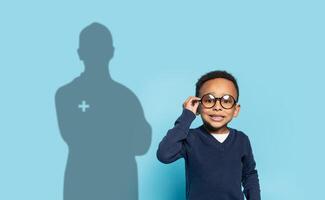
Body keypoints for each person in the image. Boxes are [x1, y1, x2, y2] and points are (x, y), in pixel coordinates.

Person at [157, 70, 261, 200]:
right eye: (209, 100)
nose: (217, 107)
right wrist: (187, 115)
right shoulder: (190, 138)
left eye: (227, 100)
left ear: (236, 110)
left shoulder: (242, 140)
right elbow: (164, 154)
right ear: (198, 106)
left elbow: (249, 174)